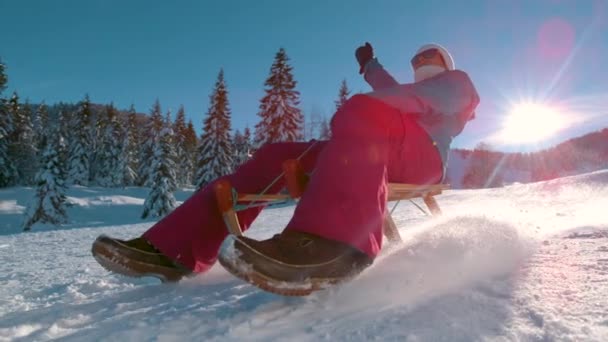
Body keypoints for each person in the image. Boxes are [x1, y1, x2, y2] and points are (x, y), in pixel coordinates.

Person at [92, 42, 480, 295]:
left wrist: (368, 104)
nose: (420, 62)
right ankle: (174, 249)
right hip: (382, 143)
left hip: (424, 159)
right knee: (277, 154)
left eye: (428, 57)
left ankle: (334, 245)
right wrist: (369, 65)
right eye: (416, 59)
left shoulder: (456, 84)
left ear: (445, 63)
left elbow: (404, 98)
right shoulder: (408, 94)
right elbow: (390, 89)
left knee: (365, 108)